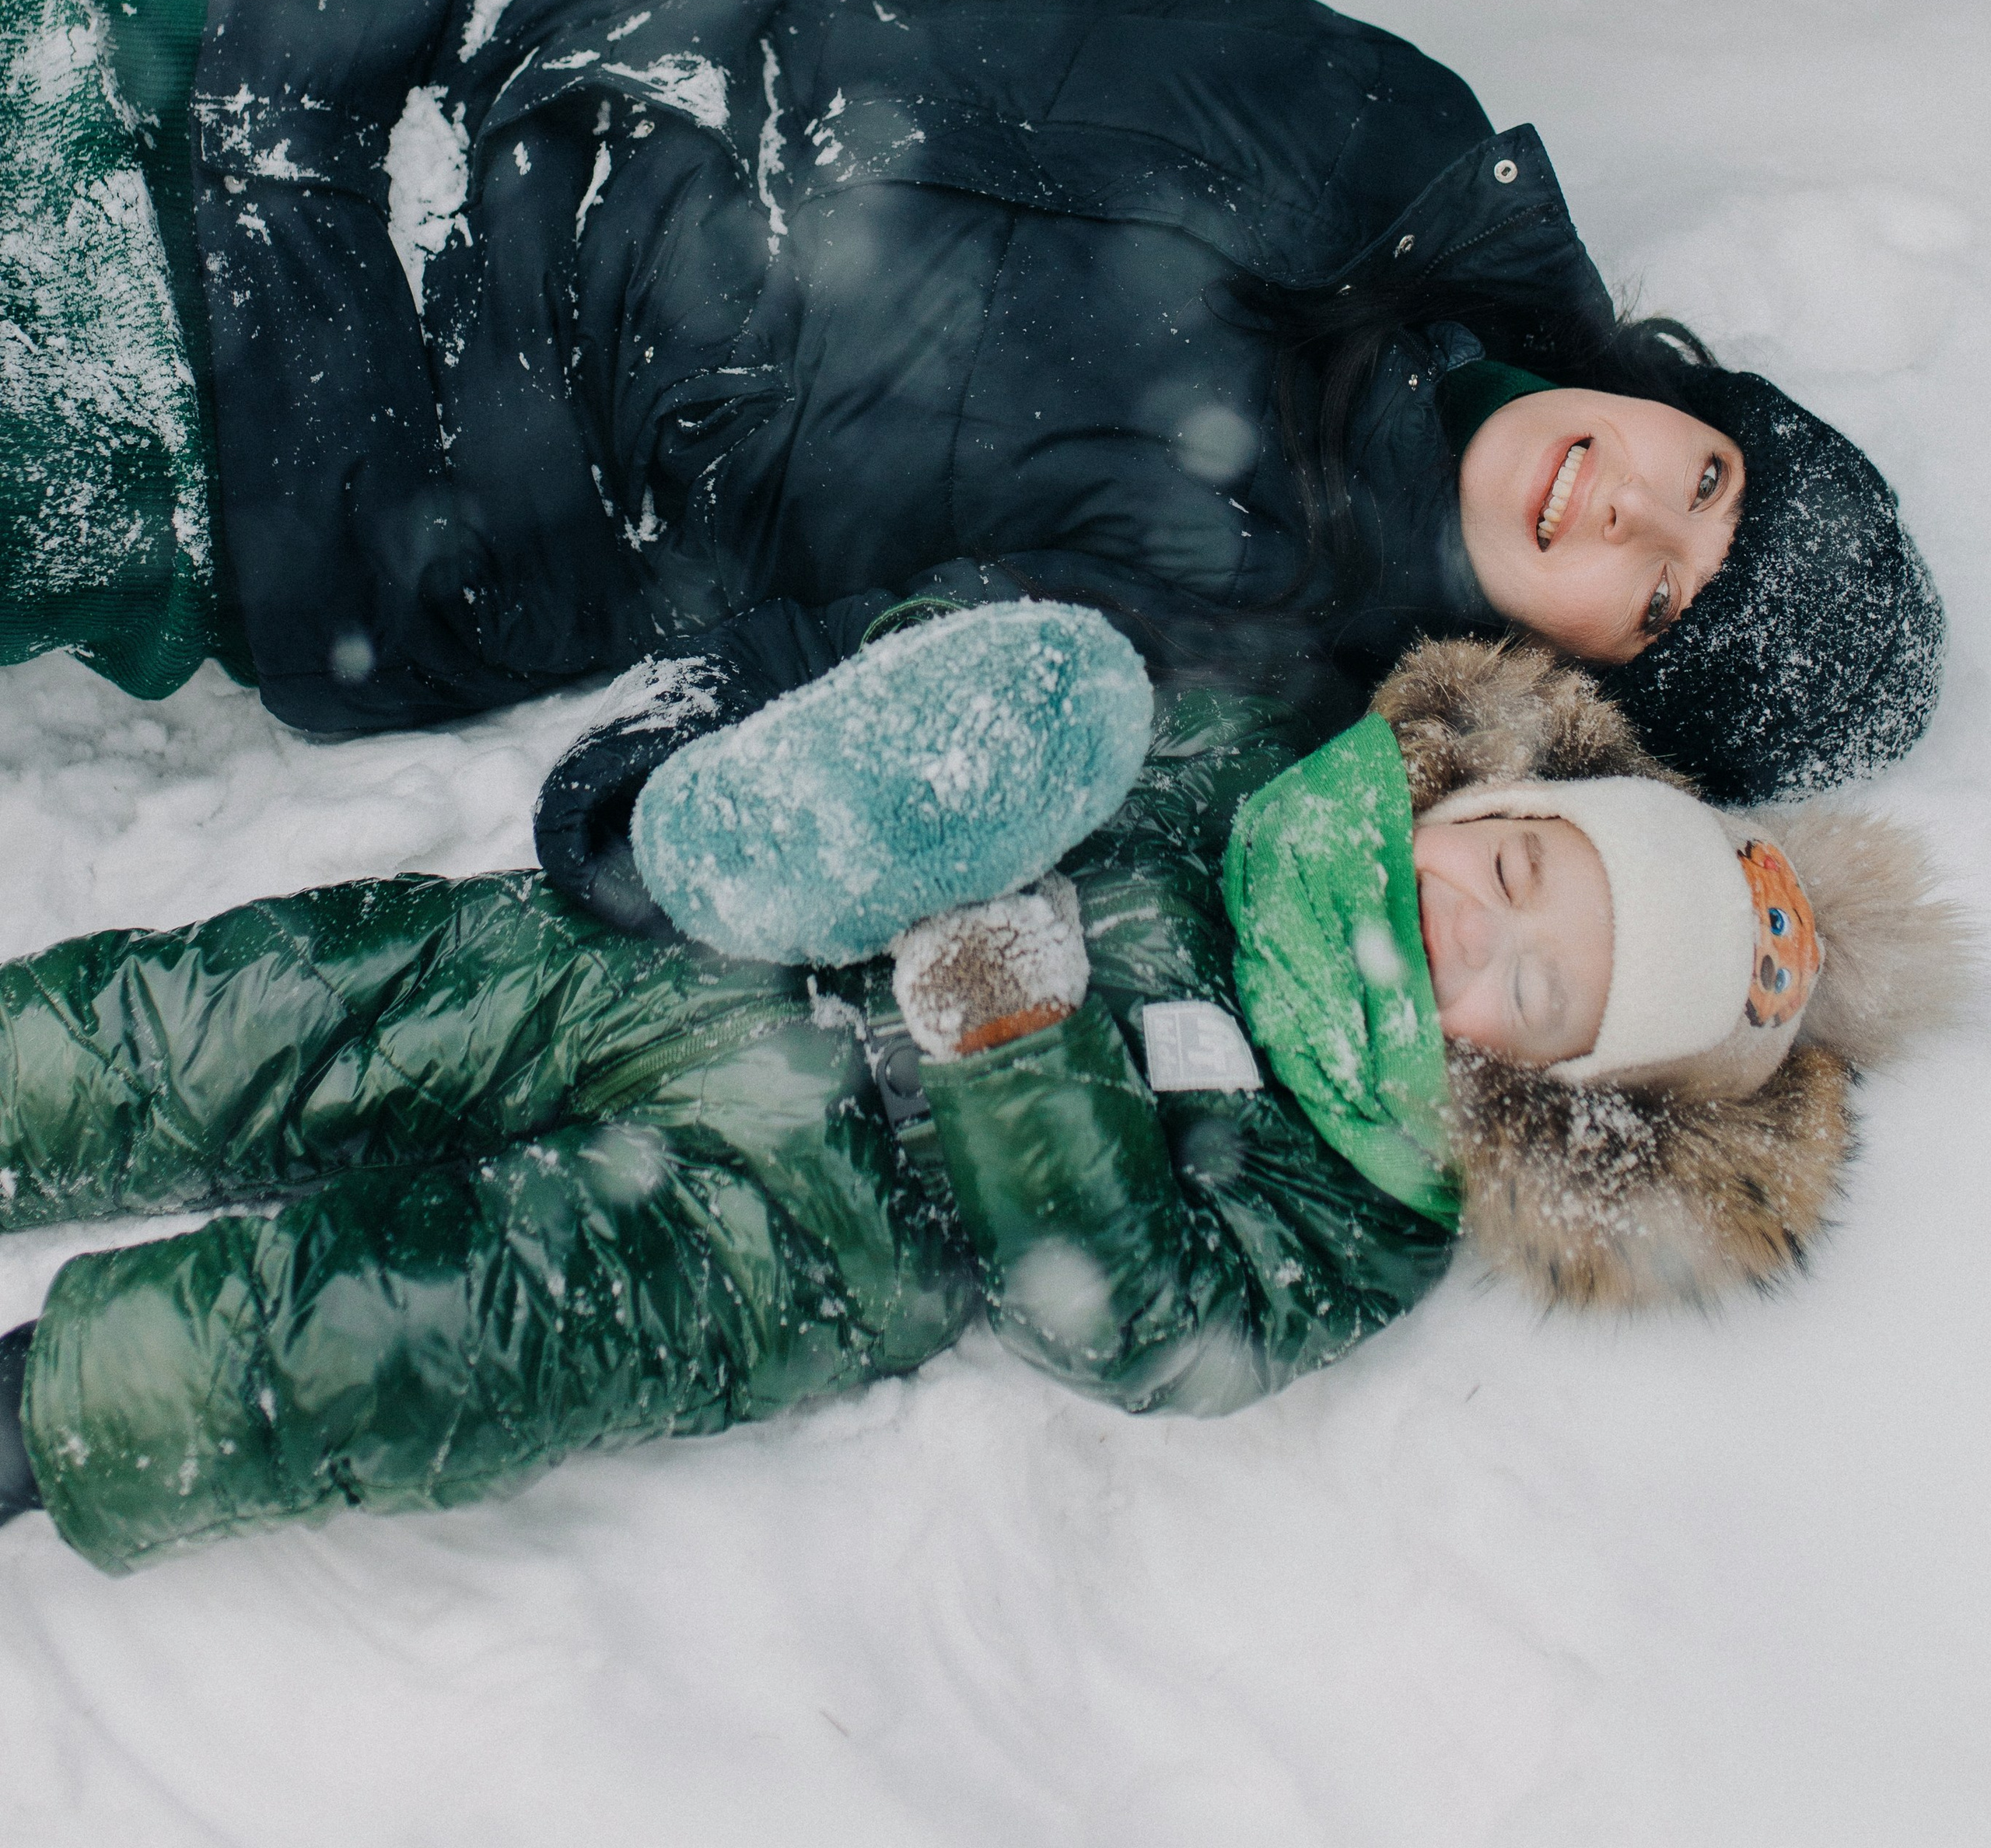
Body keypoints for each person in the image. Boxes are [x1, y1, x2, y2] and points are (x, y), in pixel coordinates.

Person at [0, 612, 1961, 1573]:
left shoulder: (1370, 1192)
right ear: (1486, 800)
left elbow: (1157, 1323)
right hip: (704, 951)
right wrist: (852, 755)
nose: (1475, 933)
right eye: (1518, 872)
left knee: (405, 1328)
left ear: (1543, 1090)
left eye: (1534, 994)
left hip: (797, 1228)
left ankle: (47, 1409)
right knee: (274, 1012)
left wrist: (1018, 1046)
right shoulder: (1242, 756)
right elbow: (988, 680)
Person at [0, 0, 1944, 824]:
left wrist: (648, 810)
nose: (1623, 507)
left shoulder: (1273, 654)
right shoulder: (1410, 148)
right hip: (389, 75)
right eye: (1702, 474)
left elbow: (863, 683)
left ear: (1595, 680)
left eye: (1658, 594)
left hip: (338, 430)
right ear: (1692, 399)